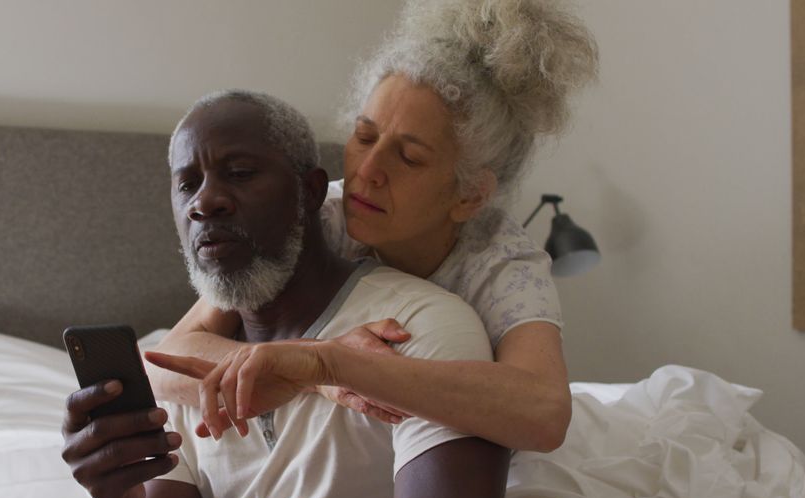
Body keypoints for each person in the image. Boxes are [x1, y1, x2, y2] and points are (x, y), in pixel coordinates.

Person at [61, 91, 509, 498]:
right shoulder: (182, 373)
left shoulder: (418, 326)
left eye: (239, 174)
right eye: (186, 185)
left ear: (311, 192)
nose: (204, 203)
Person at [145, 0, 600, 452]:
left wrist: (329, 364)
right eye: (364, 137)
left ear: (469, 195)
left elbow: (545, 414)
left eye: (409, 157)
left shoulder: (503, 266)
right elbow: (167, 361)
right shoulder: (324, 214)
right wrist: (304, 374)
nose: (368, 170)